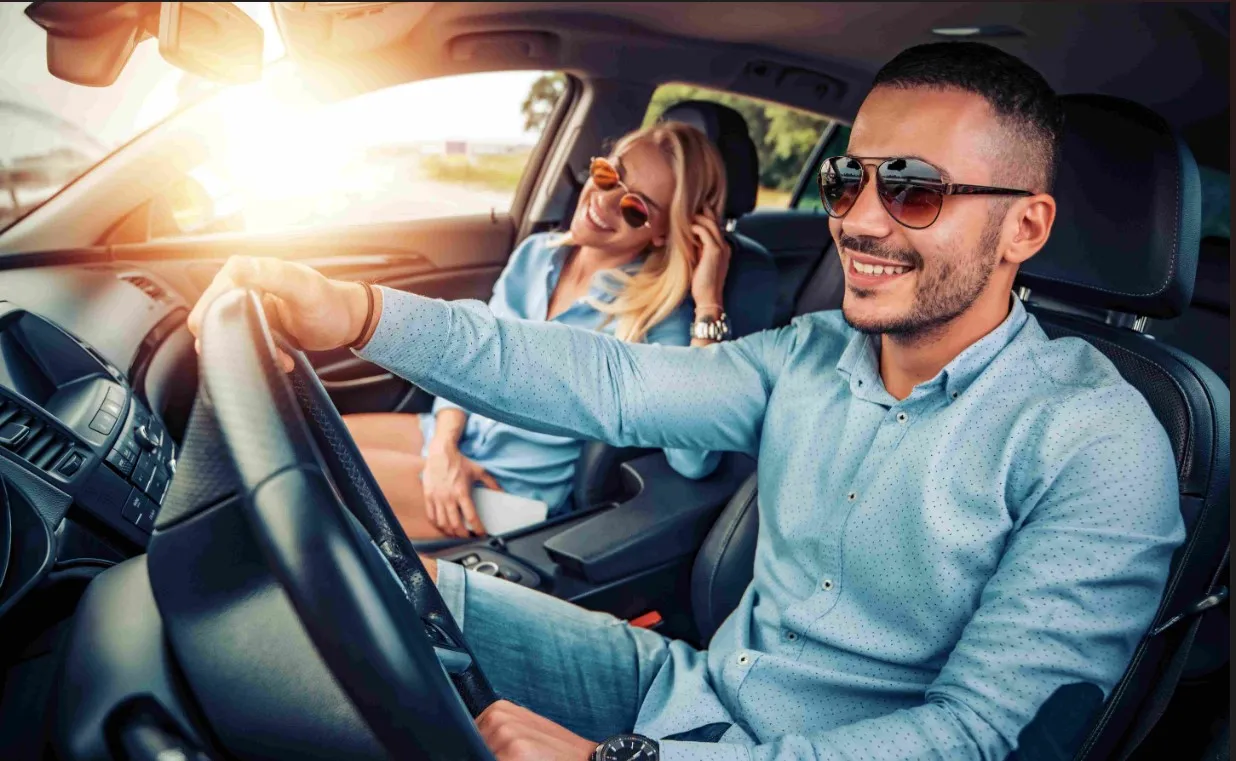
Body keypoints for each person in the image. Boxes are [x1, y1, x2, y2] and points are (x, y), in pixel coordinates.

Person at [188, 42, 1183, 761]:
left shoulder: (1098, 440)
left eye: (914, 191)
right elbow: (606, 379)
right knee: (378, 590)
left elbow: (975, 738)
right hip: (688, 685)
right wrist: (356, 311)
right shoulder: (813, 351)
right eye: (847, 182)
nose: (860, 222)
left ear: (1026, 227)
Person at [343, 122, 734, 539]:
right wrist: (443, 446)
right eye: (608, 176)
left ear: (663, 233)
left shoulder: (656, 319)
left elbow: (694, 459)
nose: (602, 201)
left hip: (508, 491)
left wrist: (708, 303)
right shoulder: (536, 255)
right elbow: (466, 356)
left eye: (635, 207)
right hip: (458, 437)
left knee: (317, 480)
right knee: (305, 434)